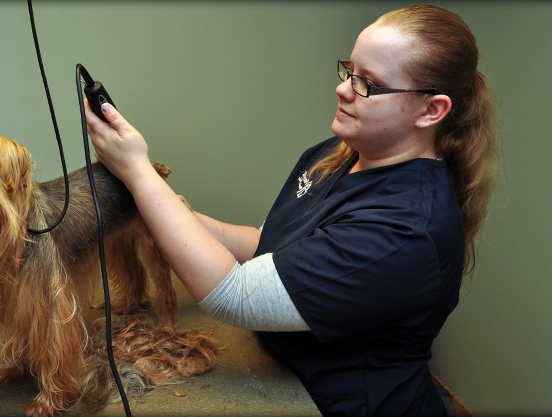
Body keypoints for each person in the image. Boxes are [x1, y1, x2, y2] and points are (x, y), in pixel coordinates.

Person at [85, 4, 498, 417]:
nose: (344, 89)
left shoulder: (404, 231)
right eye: (349, 70)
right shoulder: (342, 152)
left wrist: (139, 173)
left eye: (369, 84)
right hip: (284, 369)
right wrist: (169, 215)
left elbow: (236, 295)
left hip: (342, 403)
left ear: (431, 111)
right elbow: (271, 246)